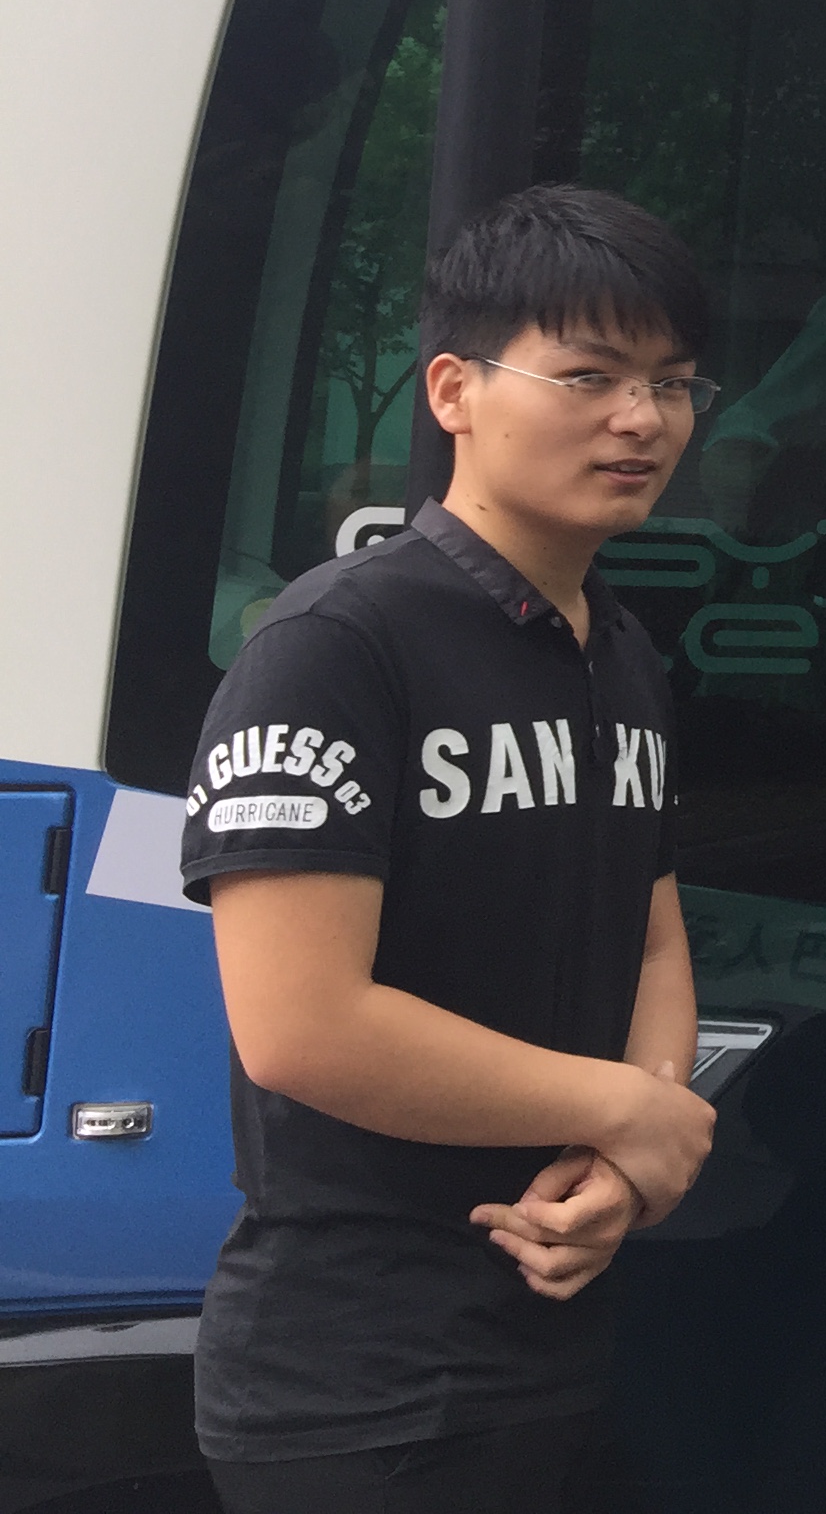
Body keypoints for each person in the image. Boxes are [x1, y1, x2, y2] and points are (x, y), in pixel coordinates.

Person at [180, 183, 720, 1513]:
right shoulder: (335, 646)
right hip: (355, 1387)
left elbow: (650, 931)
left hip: (548, 1350)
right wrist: (625, 1110)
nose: (642, 418)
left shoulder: (620, 651)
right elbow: (302, 1026)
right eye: (589, 375)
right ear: (453, 391)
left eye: (671, 382)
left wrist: (628, 1159)